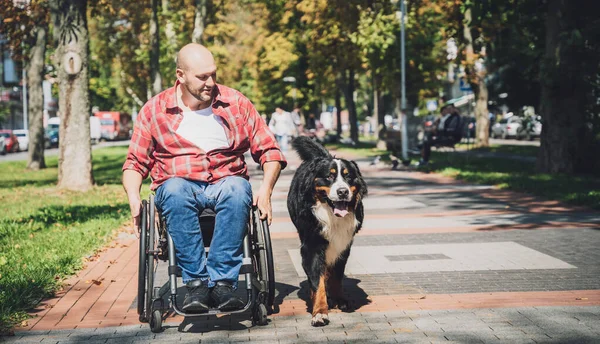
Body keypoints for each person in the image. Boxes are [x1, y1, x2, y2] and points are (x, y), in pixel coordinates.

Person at [122, 43, 286, 313]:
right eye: (202, 77)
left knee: (237, 188)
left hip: (225, 182)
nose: (210, 82)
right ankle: (196, 283)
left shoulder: (235, 103)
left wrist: (266, 190)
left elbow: (270, 150)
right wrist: (133, 198)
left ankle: (222, 283)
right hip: (178, 184)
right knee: (173, 189)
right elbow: (135, 162)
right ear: (180, 75)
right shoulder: (155, 110)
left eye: (213, 74)